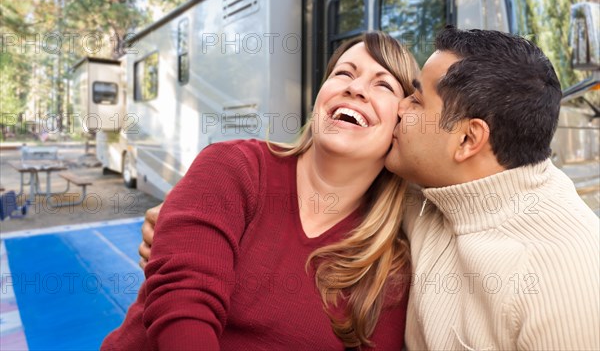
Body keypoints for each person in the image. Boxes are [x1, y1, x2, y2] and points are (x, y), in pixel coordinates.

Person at [101, 31, 420, 350]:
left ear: (401, 126)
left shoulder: (388, 265)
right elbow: (182, 308)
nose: (355, 87)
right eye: (343, 73)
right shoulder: (232, 166)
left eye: (383, 84)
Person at [385, 26, 600, 349]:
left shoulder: (566, 280)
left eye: (416, 100)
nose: (399, 107)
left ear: (468, 139)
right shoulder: (434, 189)